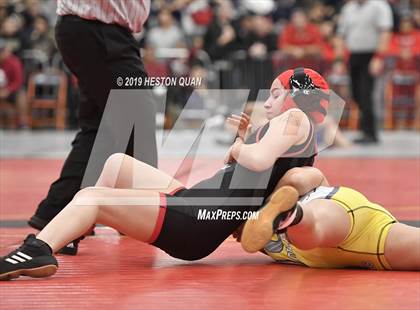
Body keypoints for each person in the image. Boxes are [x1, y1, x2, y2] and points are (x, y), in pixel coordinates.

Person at [1, 68, 330, 280]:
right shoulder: (298, 138)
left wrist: (238, 148)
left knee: (91, 198)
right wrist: (244, 141)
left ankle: (37, 249)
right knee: (118, 164)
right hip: (197, 204)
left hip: (196, 220)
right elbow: (256, 172)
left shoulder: (296, 119)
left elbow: (256, 161)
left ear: (297, 97)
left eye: (275, 93)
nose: (268, 101)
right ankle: (75, 229)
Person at [27, 0, 158, 254]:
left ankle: (58, 213)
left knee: (101, 129)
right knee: (136, 121)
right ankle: (140, 211)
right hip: (98, 30)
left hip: (94, 30)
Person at [239, 167, 420, 271]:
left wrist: (267, 203)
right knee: (310, 234)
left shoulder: (297, 186)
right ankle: (292, 216)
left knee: (315, 227)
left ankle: (293, 214)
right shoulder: (256, 236)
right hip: (363, 246)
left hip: (348, 220)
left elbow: (300, 177)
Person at [336, 0, 393, 144]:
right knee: (356, 94)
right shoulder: (348, 8)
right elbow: (341, 35)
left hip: (371, 55)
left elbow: (385, 32)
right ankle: (365, 131)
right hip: (353, 55)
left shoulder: (379, 6)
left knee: (366, 93)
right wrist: (339, 59)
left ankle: (371, 133)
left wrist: (379, 57)